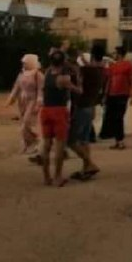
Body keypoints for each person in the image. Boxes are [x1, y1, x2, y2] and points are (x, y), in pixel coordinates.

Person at [39, 50, 80, 187]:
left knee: (46, 145)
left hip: (45, 110)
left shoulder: (47, 73)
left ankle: (46, 177)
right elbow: (78, 90)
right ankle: (57, 177)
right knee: (59, 146)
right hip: (59, 111)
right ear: (63, 62)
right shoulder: (63, 78)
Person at [66, 46, 104, 181]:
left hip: (82, 108)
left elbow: (71, 66)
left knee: (70, 140)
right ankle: (86, 168)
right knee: (84, 140)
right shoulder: (99, 72)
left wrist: (64, 52)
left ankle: (90, 163)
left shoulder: (85, 71)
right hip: (90, 107)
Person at [99, 45, 132, 150]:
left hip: (122, 95)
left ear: (119, 54)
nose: (113, 55)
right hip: (112, 95)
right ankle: (117, 140)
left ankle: (120, 141)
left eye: (115, 53)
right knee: (112, 118)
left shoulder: (128, 66)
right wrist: (105, 95)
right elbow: (108, 81)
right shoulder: (112, 66)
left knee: (118, 118)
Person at [7, 54, 44, 155]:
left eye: (25, 62)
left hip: (32, 101)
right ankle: (27, 144)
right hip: (22, 101)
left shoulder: (38, 75)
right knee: (23, 122)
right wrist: (11, 99)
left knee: (26, 123)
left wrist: (39, 103)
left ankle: (35, 140)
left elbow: (41, 90)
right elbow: (16, 87)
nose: (23, 64)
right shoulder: (22, 74)